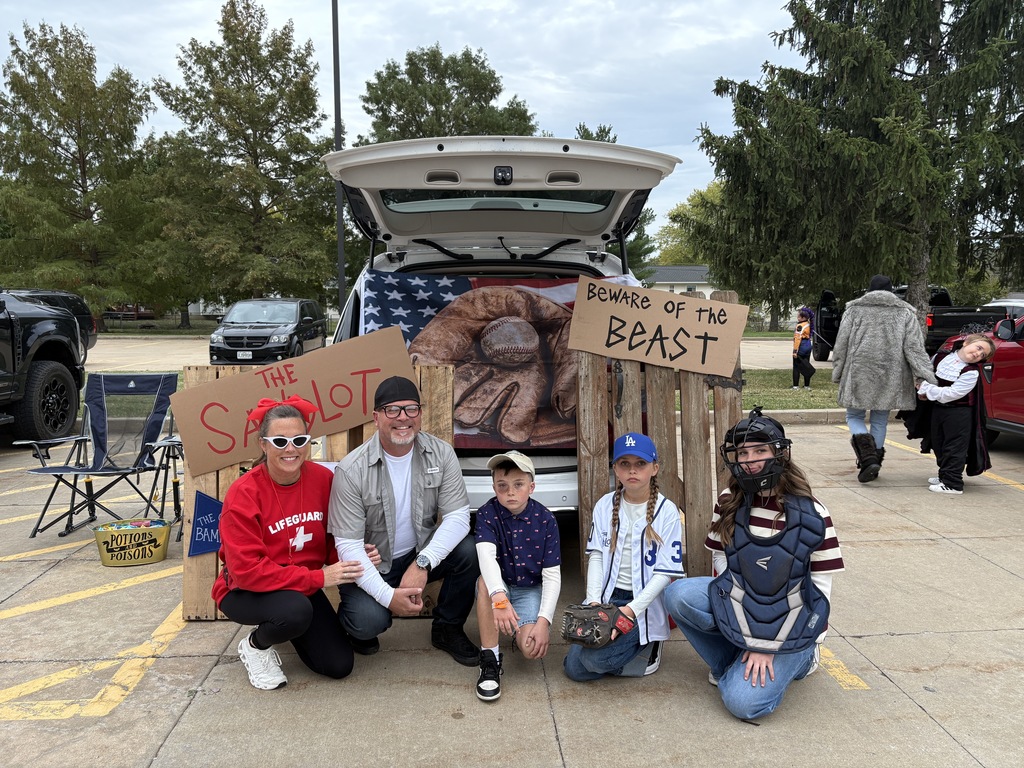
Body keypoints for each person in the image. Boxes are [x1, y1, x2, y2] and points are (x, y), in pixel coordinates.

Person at [663, 407, 845, 720]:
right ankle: (730, 662)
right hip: (748, 603)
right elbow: (721, 557)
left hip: (796, 623)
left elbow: (818, 593)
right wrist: (746, 624)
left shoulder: (813, 514)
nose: (750, 460)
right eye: (743, 453)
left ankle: (803, 660)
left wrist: (766, 644)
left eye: (760, 450)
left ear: (779, 453)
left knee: (742, 704)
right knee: (677, 594)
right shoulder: (728, 500)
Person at [212, 395, 378, 691]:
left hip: (300, 584)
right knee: (294, 612)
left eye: (299, 440)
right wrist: (319, 577)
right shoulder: (243, 494)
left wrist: (351, 553)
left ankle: (288, 625)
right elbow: (247, 571)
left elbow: (329, 538)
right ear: (263, 445)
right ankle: (256, 645)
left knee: (339, 666)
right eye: (279, 442)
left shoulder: (323, 479)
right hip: (245, 590)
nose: (291, 449)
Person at [328, 376, 481, 666]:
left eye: (411, 409)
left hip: (417, 553)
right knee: (368, 621)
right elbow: (348, 548)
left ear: (420, 414)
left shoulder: (441, 452)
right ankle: (359, 629)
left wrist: (423, 563)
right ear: (376, 417)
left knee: (469, 550)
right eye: (392, 410)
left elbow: (459, 517)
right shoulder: (351, 470)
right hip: (371, 562)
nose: (403, 418)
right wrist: (388, 598)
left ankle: (447, 629)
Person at [563, 433, 684, 681]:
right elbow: (596, 556)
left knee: (593, 660)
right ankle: (629, 651)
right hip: (608, 599)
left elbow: (665, 574)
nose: (632, 470)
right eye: (624, 463)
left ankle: (647, 646)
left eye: (640, 463)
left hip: (643, 603)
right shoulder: (605, 505)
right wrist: (594, 601)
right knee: (574, 669)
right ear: (615, 469)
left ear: (654, 468)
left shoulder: (667, 511)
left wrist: (631, 610)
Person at [474, 450, 562, 701]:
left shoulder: (546, 520)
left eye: (518, 484)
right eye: (502, 486)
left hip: (528, 589)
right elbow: (486, 557)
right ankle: (489, 658)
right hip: (497, 587)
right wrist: (499, 600)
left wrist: (544, 622)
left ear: (531, 487)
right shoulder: (486, 514)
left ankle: (514, 625)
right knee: (483, 582)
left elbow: (552, 577)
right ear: (494, 487)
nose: (510, 492)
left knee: (531, 649)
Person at [832, 274, 936, 482]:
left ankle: (868, 458)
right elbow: (914, 348)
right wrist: (925, 376)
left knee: (854, 417)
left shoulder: (854, 310)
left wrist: (838, 370)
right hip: (892, 374)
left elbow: (841, 343)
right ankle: (874, 461)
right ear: (891, 291)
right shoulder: (905, 312)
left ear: (869, 290)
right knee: (880, 419)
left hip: (859, 371)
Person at [916, 333, 997, 495]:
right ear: (966, 342)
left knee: (954, 446)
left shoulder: (970, 372)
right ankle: (945, 475)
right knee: (939, 442)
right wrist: (921, 386)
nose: (978, 354)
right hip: (939, 409)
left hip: (959, 413)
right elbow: (927, 374)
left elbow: (952, 394)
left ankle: (953, 483)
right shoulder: (940, 357)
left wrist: (925, 389)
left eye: (983, 355)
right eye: (978, 348)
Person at [792, 308, 815, 390]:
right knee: (806, 364)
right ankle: (807, 385)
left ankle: (795, 386)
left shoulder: (800, 326)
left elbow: (798, 339)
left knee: (796, 366)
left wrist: (795, 351)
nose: (797, 318)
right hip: (808, 346)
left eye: (799, 316)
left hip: (801, 346)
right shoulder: (808, 324)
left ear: (803, 318)